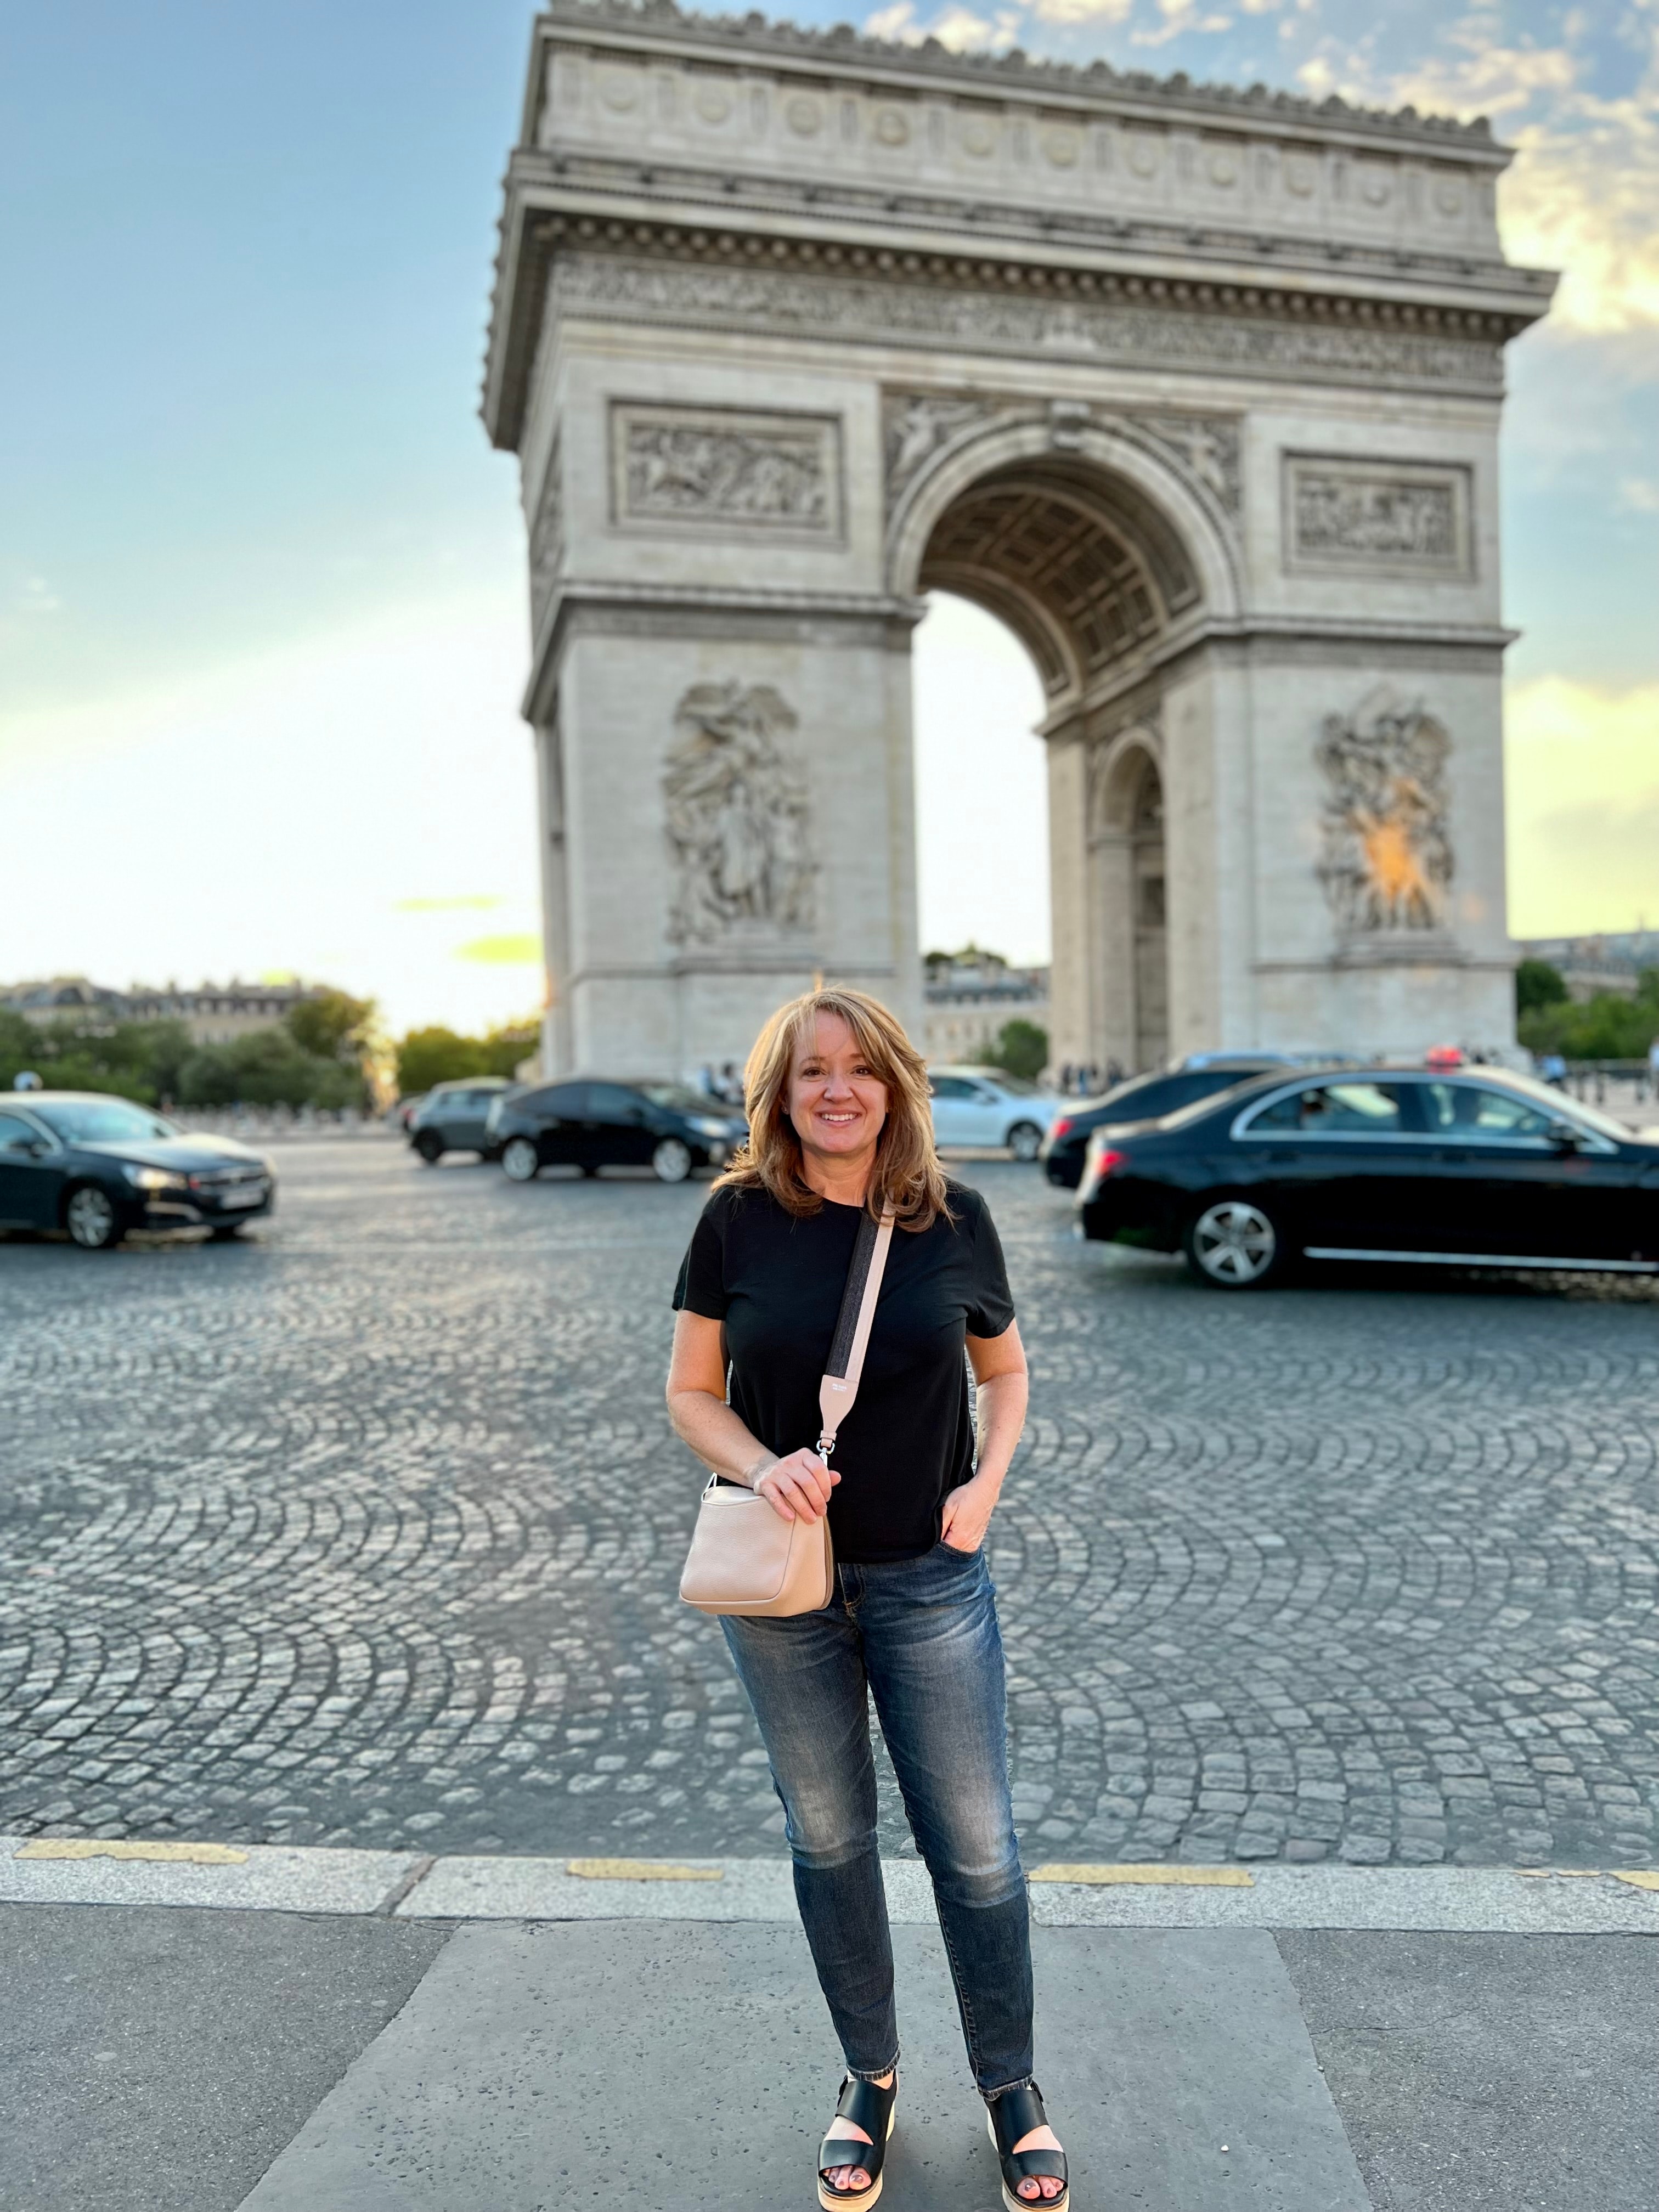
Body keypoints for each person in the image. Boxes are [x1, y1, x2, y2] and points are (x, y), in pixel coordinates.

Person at [666, 986, 1068, 2210]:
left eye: (858, 1069)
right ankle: (871, 2079)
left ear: (895, 1084)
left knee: (978, 1849)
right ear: (778, 1095)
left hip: (930, 1579)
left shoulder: (956, 1220)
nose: (836, 1090)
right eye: (810, 1072)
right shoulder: (735, 1219)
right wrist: (758, 1459)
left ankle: (1013, 2088)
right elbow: (691, 1394)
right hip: (784, 1591)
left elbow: (1006, 1376)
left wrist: (987, 1485)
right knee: (831, 1839)